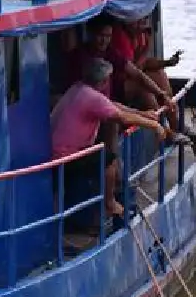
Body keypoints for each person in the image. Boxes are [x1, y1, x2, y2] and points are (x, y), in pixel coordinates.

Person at [51, 57, 169, 219]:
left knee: (100, 151)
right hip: (65, 156)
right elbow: (122, 118)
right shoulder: (92, 97)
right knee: (109, 159)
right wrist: (154, 125)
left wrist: (141, 114)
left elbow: (111, 105)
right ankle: (110, 202)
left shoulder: (79, 88)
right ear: (104, 81)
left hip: (55, 152)